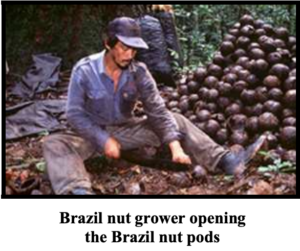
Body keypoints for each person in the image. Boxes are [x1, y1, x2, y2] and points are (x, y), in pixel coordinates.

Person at [43, 17, 265, 195]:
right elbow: (74, 114)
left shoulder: (138, 72)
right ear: (108, 43)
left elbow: (157, 110)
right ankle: (77, 190)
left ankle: (226, 161)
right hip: (90, 134)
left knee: (175, 119)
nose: (129, 54)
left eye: (134, 49)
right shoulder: (84, 70)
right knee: (54, 143)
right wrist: (103, 139)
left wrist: (175, 146)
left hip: (125, 131)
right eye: (123, 48)